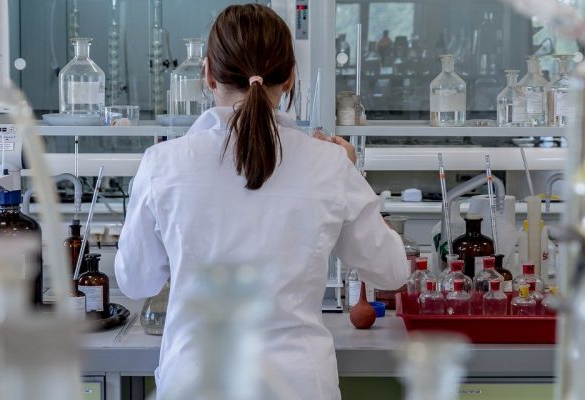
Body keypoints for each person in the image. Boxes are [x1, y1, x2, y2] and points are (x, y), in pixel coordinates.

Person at [114, 4, 408, 399]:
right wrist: (355, 178)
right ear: (288, 78)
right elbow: (391, 272)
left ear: (208, 74)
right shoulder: (329, 164)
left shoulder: (163, 164)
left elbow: (135, 282)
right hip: (299, 384)